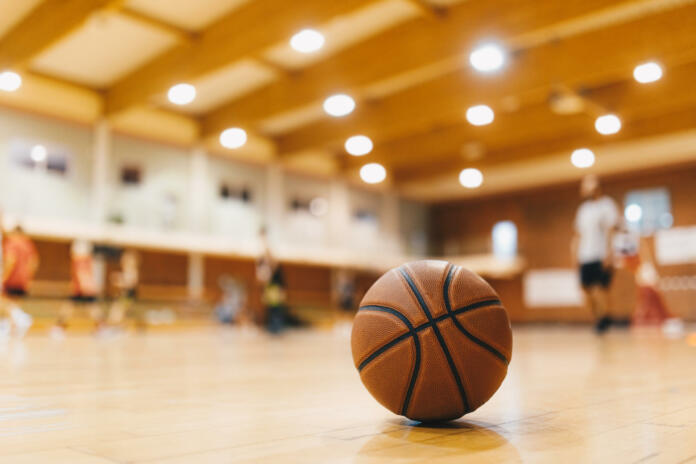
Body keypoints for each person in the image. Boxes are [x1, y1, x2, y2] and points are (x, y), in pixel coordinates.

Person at [571, 175, 619, 334]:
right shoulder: (583, 210)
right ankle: (600, 318)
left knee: (599, 289)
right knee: (586, 289)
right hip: (585, 255)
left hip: (600, 254)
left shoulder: (607, 205)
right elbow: (578, 234)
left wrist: (609, 252)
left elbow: (611, 230)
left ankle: (603, 319)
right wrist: (574, 254)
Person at [52, 240, 102, 338]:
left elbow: (82, 274)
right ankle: (100, 327)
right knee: (88, 308)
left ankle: (59, 327)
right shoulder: (87, 260)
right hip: (82, 288)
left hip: (82, 289)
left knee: (72, 307)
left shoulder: (80, 260)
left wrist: (85, 288)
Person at [1, 222, 37, 338]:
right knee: (13, 303)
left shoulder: (12, 243)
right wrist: (29, 277)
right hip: (24, 279)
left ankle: (22, 319)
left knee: (3, 301)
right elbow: (34, 262)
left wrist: (3, 276)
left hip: (12, 278)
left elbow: (10, 260)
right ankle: (12, 326)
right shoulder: (28, 244)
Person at [107, 249, 141, 331]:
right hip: (124, 295)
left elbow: (130, 283)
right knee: (116, 310)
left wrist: (119, 281)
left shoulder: (133, 271)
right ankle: (116, 326)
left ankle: (118, 327)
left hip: (128, 296)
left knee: (118, 310)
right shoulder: (127, 270)